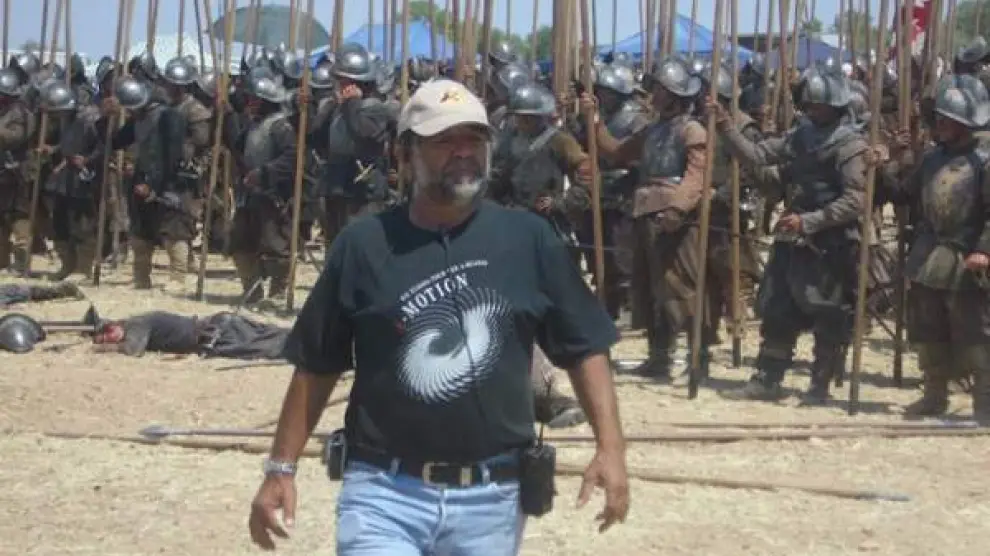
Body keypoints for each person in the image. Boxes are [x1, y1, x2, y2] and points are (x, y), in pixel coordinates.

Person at [248, 79, 629, 554]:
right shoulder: (364, 245)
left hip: (492, 497)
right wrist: (280, 468)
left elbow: (585, 347)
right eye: (444, 141)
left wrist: (611, 448)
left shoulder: (529, 240)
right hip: (384, 492)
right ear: (405, 155)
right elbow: (316, 364)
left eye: (474, 139)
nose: (463, 152)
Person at [707, 67, 868, 403]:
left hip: (831, 239)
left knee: (827, 312)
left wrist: (810, 221)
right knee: (777, 306)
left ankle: (820, 384)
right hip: (792, 236)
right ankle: (768, 378)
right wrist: (726, 127)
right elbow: (757, 155)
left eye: (819, 106)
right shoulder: (800, 136)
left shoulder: (851, 146)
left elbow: (856, 200)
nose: (813, 110)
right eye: (810, 105)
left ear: (836, 107)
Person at [882, 76, 990, 423]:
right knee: (927, 330)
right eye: (939, 119)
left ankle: (985, 403)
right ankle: (934, 395)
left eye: (947, 120)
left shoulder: (984, 161)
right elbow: (901, 194)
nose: (940, 125)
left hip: (967, 256)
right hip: (929, 256)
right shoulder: (931, 159)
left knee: (975, 333)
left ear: (964, 124)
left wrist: (983, 249)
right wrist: (890, 163)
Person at [92, 310, 288, 359]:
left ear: (114, 325)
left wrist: (101, 349)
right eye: (104, 340)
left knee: (274, 348)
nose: (110, 339)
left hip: (218, 334)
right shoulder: (139, 322)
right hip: (219, 328)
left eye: (108, 334)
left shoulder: (136, 323)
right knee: (277, 338)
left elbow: (133, 350)